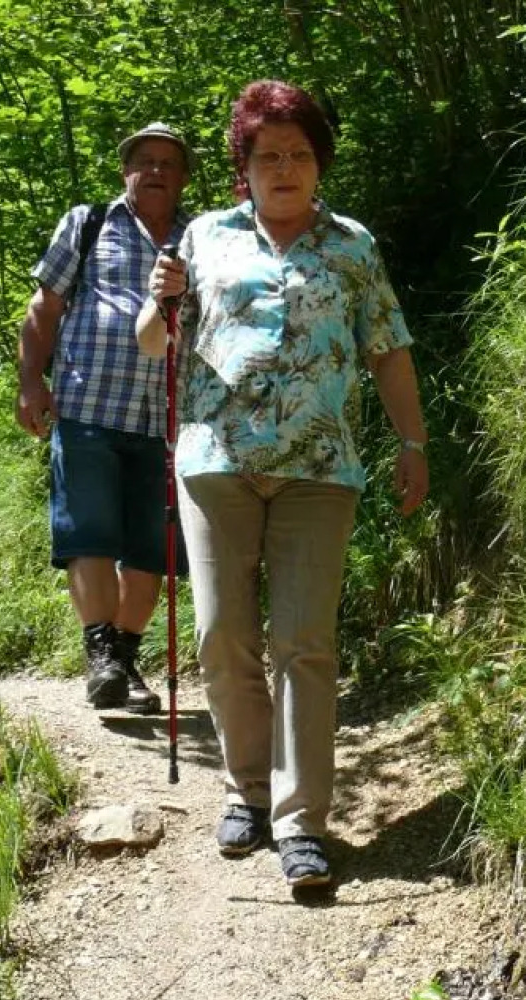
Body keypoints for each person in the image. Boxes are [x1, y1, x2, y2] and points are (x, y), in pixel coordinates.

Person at [138, 81, 429, 890]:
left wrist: (412, 442)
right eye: (268, 155)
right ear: (246, 165)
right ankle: (248, 792)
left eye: (299, 153)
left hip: (320, 468)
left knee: (305, 644)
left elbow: (388, 349)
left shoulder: (352, 246)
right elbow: (154, 342)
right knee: (222, 634)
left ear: (319, 162)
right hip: (215, 460)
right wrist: (160, 302)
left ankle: (301, 822)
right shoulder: (203, 238)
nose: (285, 168)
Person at [18, 122, 195, 714]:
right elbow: (45, 306)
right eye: (145, 160)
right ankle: (102, 658)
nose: (156, 170)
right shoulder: (88, 222)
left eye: (169, 162)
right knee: (88, 532)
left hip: (170, 417)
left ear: (183, 177)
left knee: (151, 546)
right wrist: (31, 382)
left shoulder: (200, 238)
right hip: (88, 403)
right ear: (126, 170)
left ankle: (123, 660)